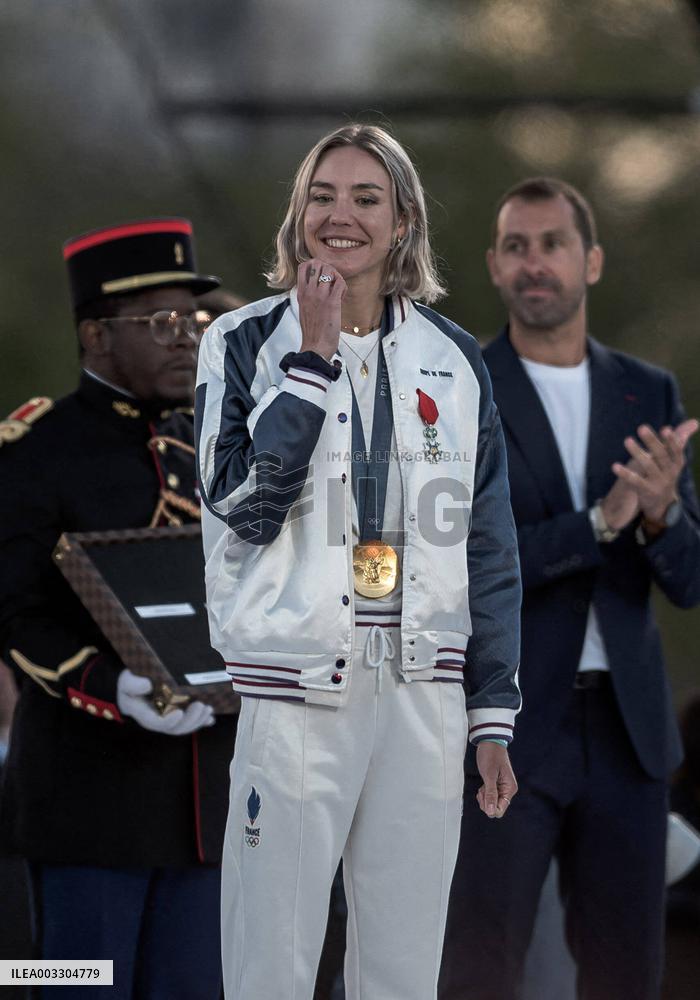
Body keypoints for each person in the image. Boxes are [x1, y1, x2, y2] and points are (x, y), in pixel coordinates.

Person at [195, 123, 522, 1000]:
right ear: (298, 213)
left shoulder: (455, 360)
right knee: (271, 962)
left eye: (366, 198)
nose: (341, 216)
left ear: (404, 220)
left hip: (425, 687)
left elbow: (487, 540)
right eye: (322, 195)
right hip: (296, 679)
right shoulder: (239, 340)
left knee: (404, 970)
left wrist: (492, 713)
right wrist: (309, 357)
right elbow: (242, 508)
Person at [440, 178, 700, 1000]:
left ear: (590, 261)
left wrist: (660, 520)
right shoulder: (457, 385)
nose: (535, 262)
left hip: (629, 735)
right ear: (493, 265)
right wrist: (596, 525)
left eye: (553, 243)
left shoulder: (647, 391)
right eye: (516, 246)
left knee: (628, 974)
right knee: (481, 970)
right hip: (505, 727)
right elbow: (458, 562)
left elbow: (688, 581)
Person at [0, 218, 237, 999]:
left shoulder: (220, 447)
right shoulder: (36, 452)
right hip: (84, 808)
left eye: (197, 323)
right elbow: (15, 614)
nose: (188, 340)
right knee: (73, 989)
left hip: (209, 807)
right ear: (97, 336)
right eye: (163, 324)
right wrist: (116, 688)